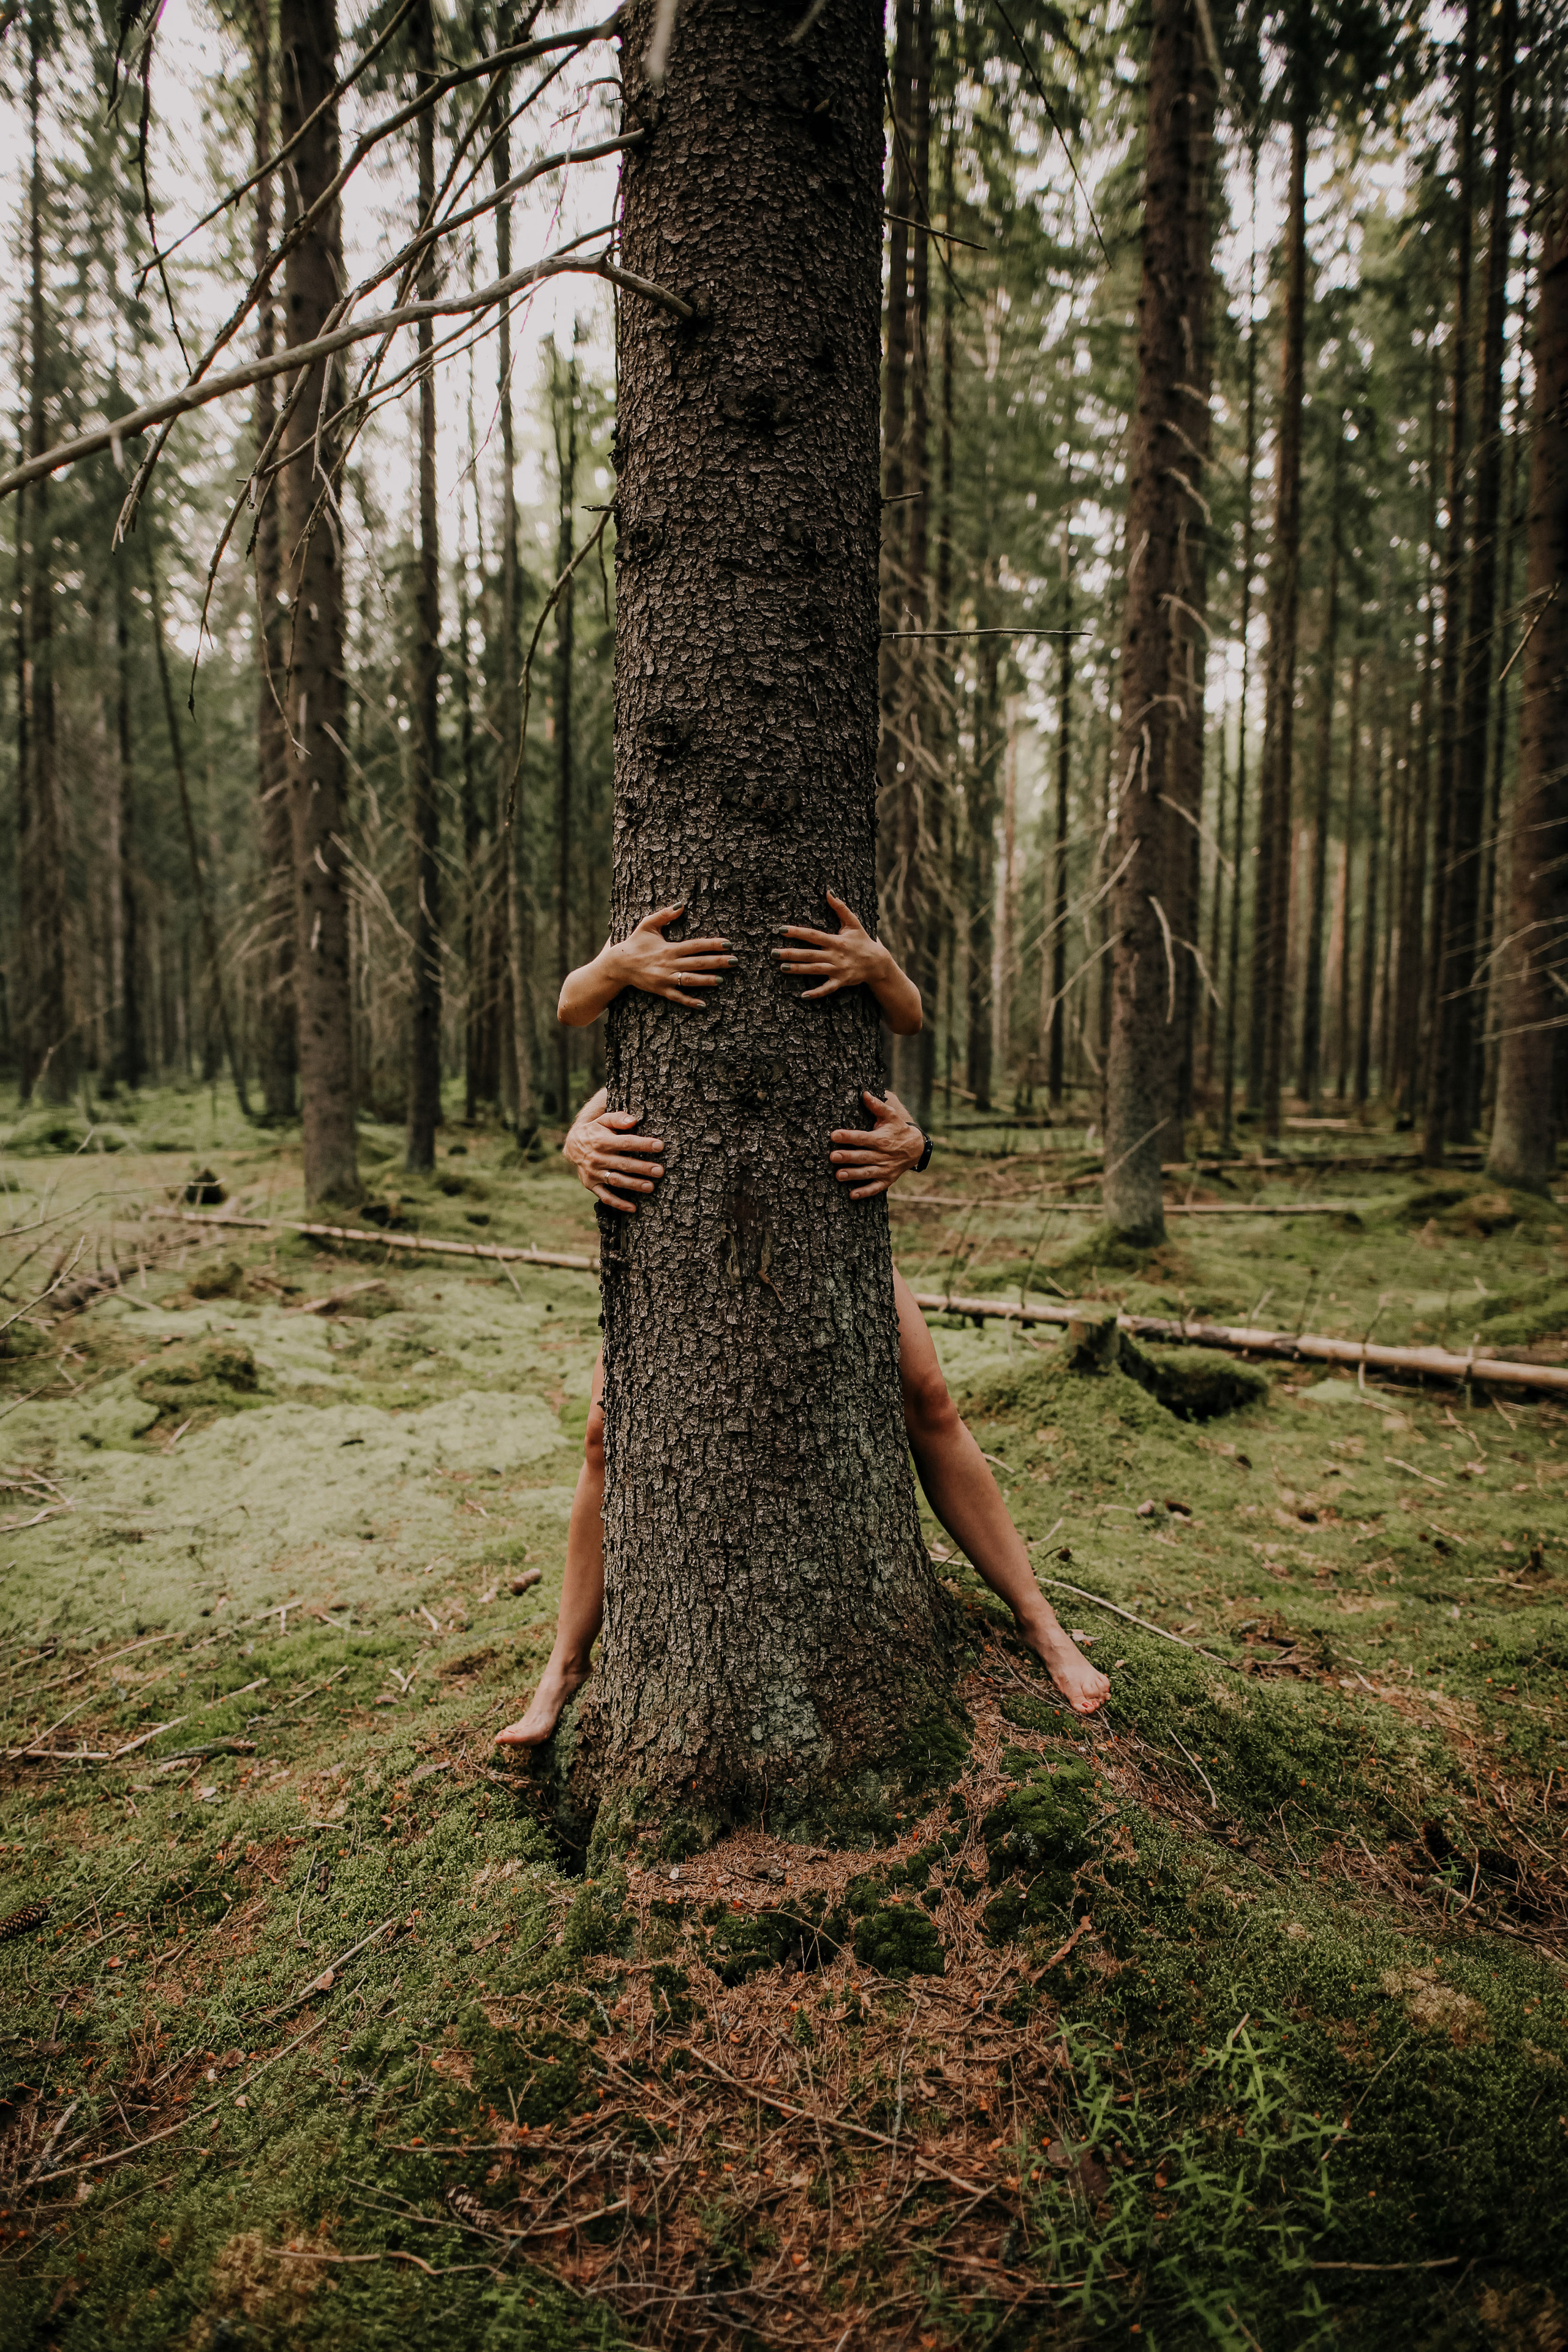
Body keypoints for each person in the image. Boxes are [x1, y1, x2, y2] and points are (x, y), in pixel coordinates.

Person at [496, 895, 1109, 1747]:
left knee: (929, 1401)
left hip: (822, 1230)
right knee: (605, 1433)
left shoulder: (842, 944)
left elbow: (911, 1010)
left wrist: (914, 1133)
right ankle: (563, 1667)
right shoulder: (646, 952)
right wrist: (583, 1116)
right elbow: (573, 1004)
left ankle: (1043, 1624)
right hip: (682, 1249)